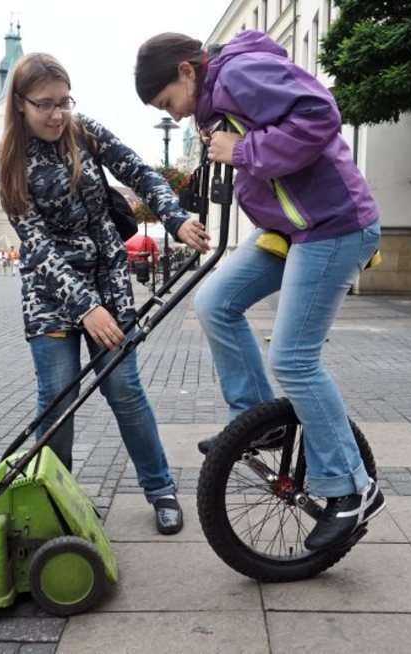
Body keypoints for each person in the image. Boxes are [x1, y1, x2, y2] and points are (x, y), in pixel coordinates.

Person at [135, 30, 383, 551]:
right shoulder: (213, 101)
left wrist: (243, 149)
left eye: (167, 102)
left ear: (187, 71)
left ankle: (351, 487)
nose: (174, 114)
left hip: (333, 224)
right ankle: (258, 422)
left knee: (294, 359)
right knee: (214, 302)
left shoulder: (240, 74)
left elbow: (320, 116)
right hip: (289, 231)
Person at [0, 52, 208, 534]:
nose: (56, 114)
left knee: (124, 390)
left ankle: (160, 489)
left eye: (64, 102)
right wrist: (84, 307)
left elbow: (139, 171)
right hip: (50, 295)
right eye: (45, 104)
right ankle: (55, 501)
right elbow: (38, 246)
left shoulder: (83, 131)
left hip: (109, 285)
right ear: (20, 104)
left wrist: (175, 218)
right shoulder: (8, 162)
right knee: (58, 398)